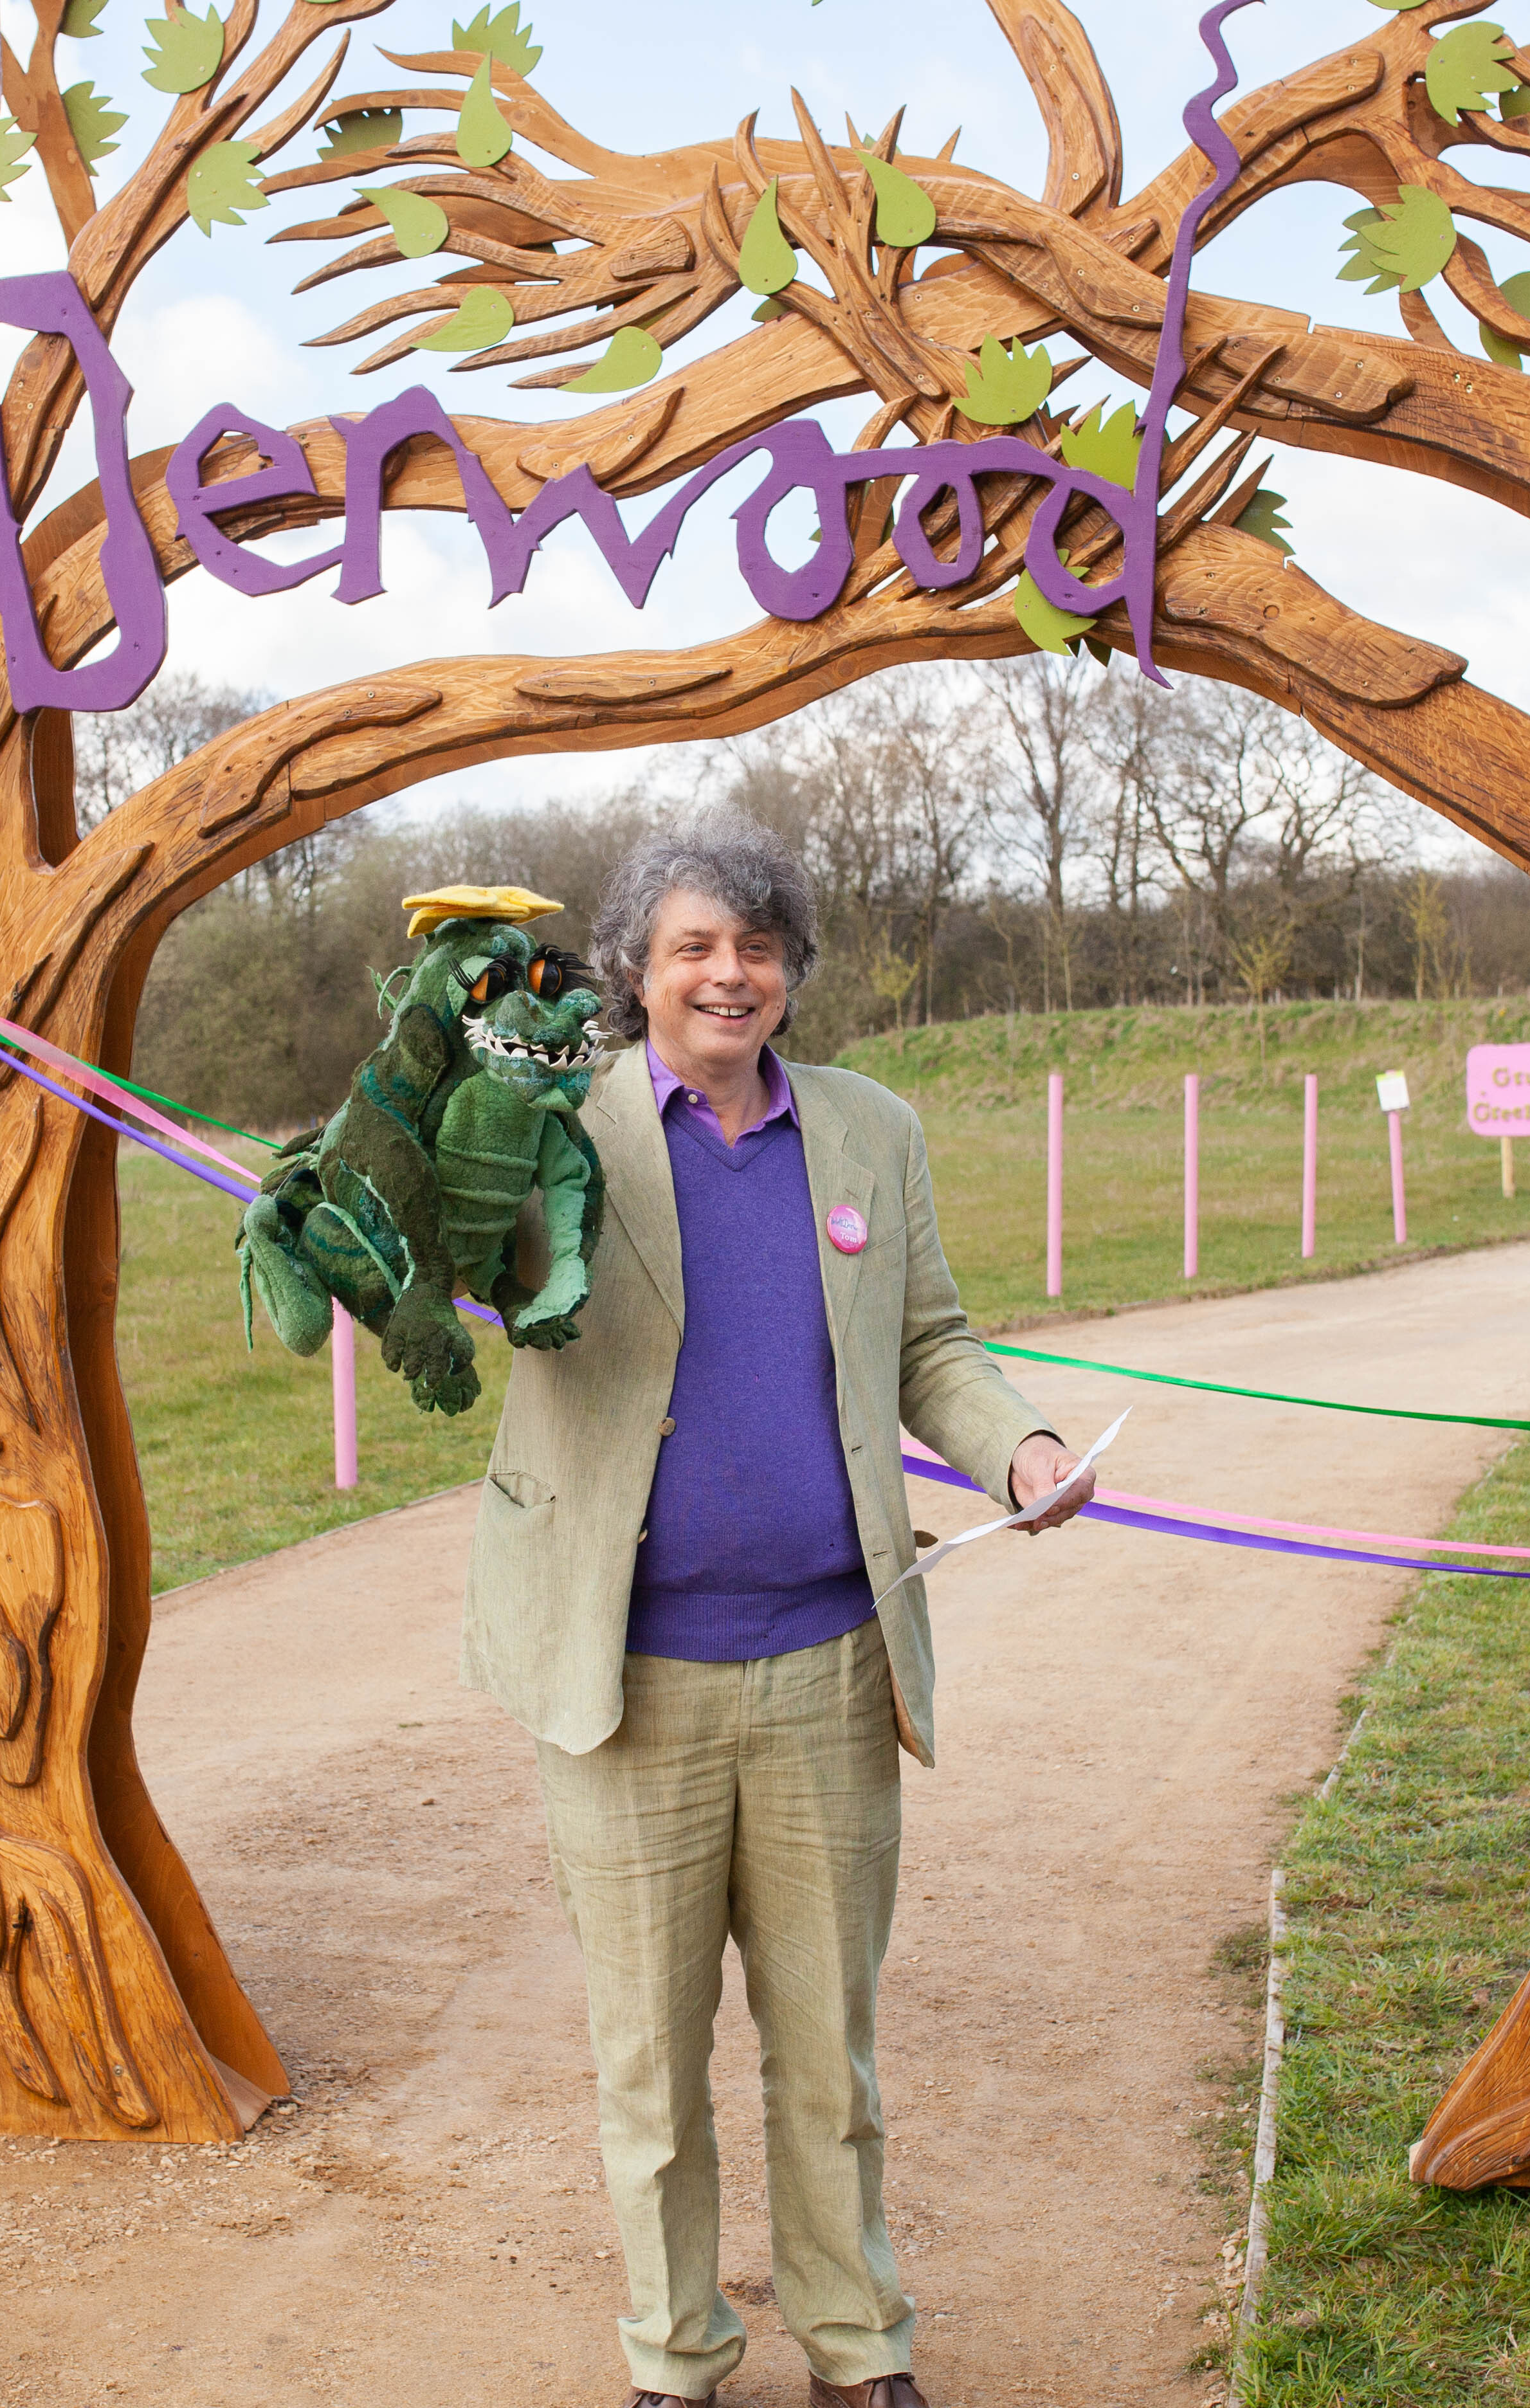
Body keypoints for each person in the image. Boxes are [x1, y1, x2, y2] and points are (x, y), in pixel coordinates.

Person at [462, 815, 1095, 2408]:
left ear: (794, 976)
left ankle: (857, 2349)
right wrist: (443, 1086)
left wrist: (1013, 1441)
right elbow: (445, 1254)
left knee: (830, 2063)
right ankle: (675, 2359)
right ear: (635, 972)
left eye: (756, 949)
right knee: (652, 2074)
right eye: (692, 946)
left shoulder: (871, 1131)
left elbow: (931, 1339)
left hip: (827, 1667)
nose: (726, 974)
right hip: (628, 1684)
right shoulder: (549, 1129)